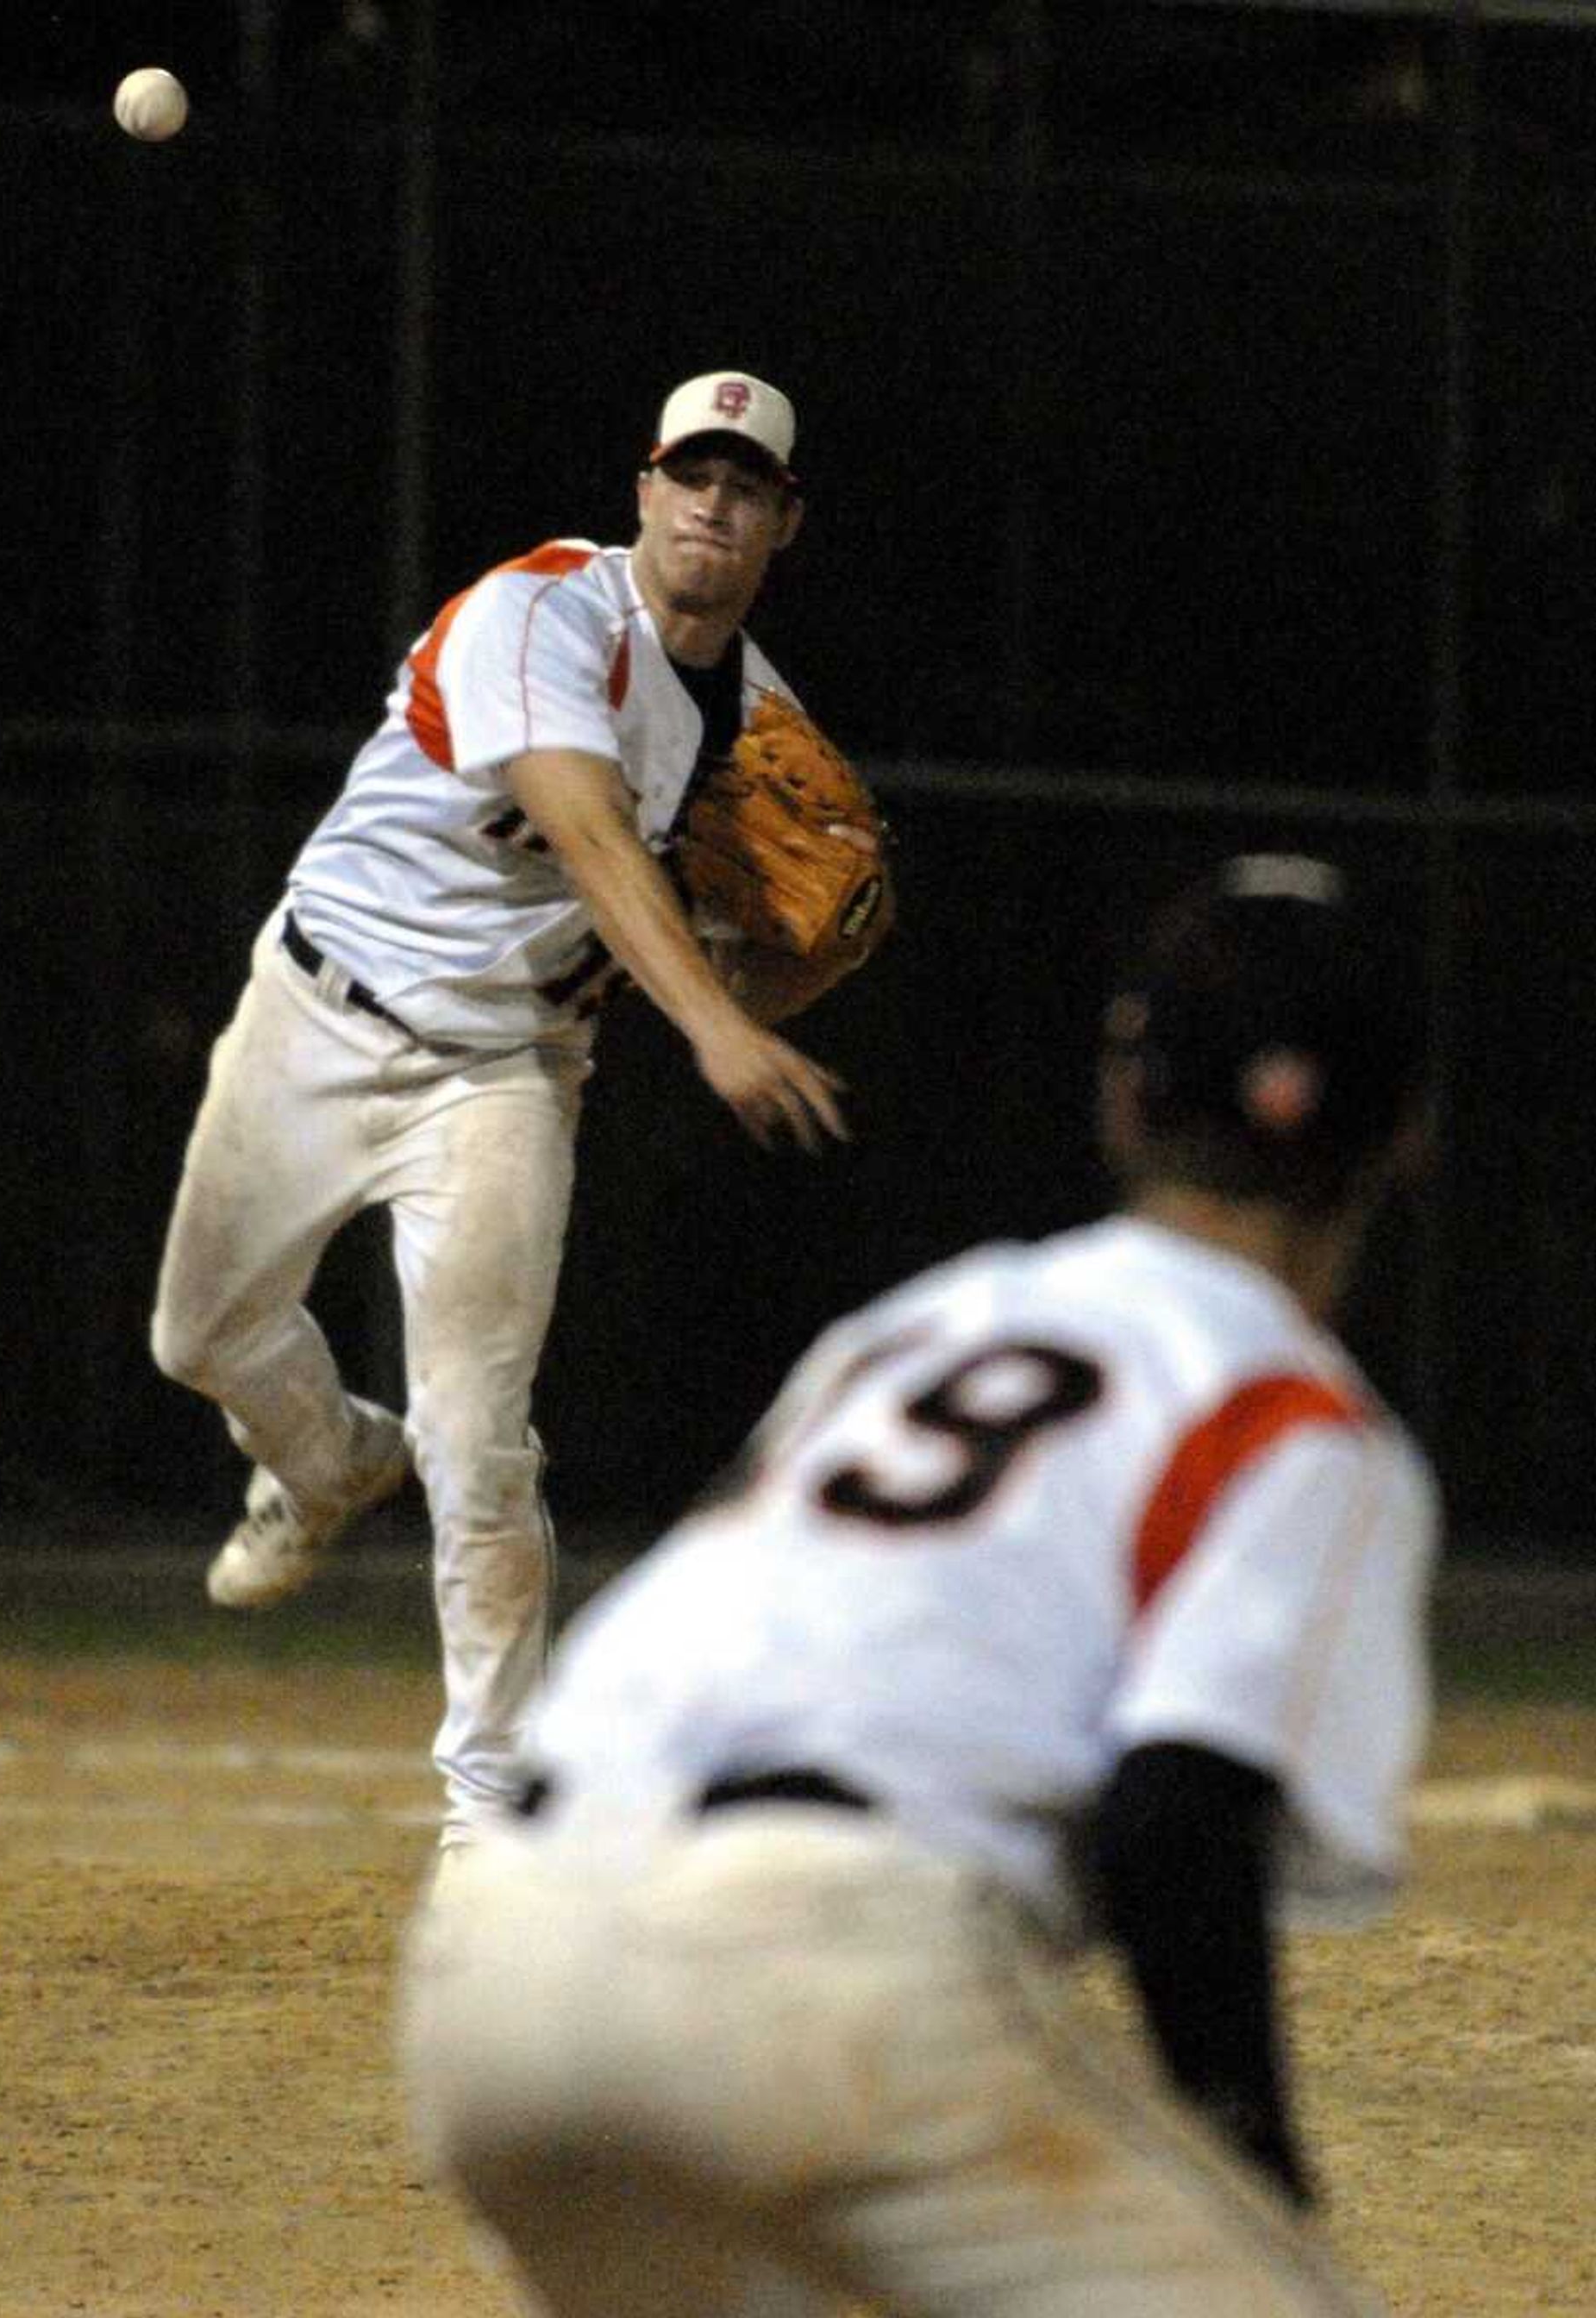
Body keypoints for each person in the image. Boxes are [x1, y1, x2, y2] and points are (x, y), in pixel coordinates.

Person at [397, 853, 1438, 2318]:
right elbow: (1177, 1817)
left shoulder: (916, 1326)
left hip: (497, 1963)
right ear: (1405, 1139)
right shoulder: (1297, 1417)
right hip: (812, 1973)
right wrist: (1256, 2178)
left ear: (1126, 1101)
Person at [151, 371, 870, 1849]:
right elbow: (586, 822)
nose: (711, 508)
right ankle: (326, 1456)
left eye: (745, 489)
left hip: (505, 1074)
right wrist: (719, 1023)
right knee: (201, 1336)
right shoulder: (538, 615)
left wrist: (778, 974)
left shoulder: (761, 721)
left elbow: (762, 949)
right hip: (317, 1009)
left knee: (480, 1442)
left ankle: (491, 1808)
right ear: (645, 491)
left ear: (782, 525)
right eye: (692, 475)